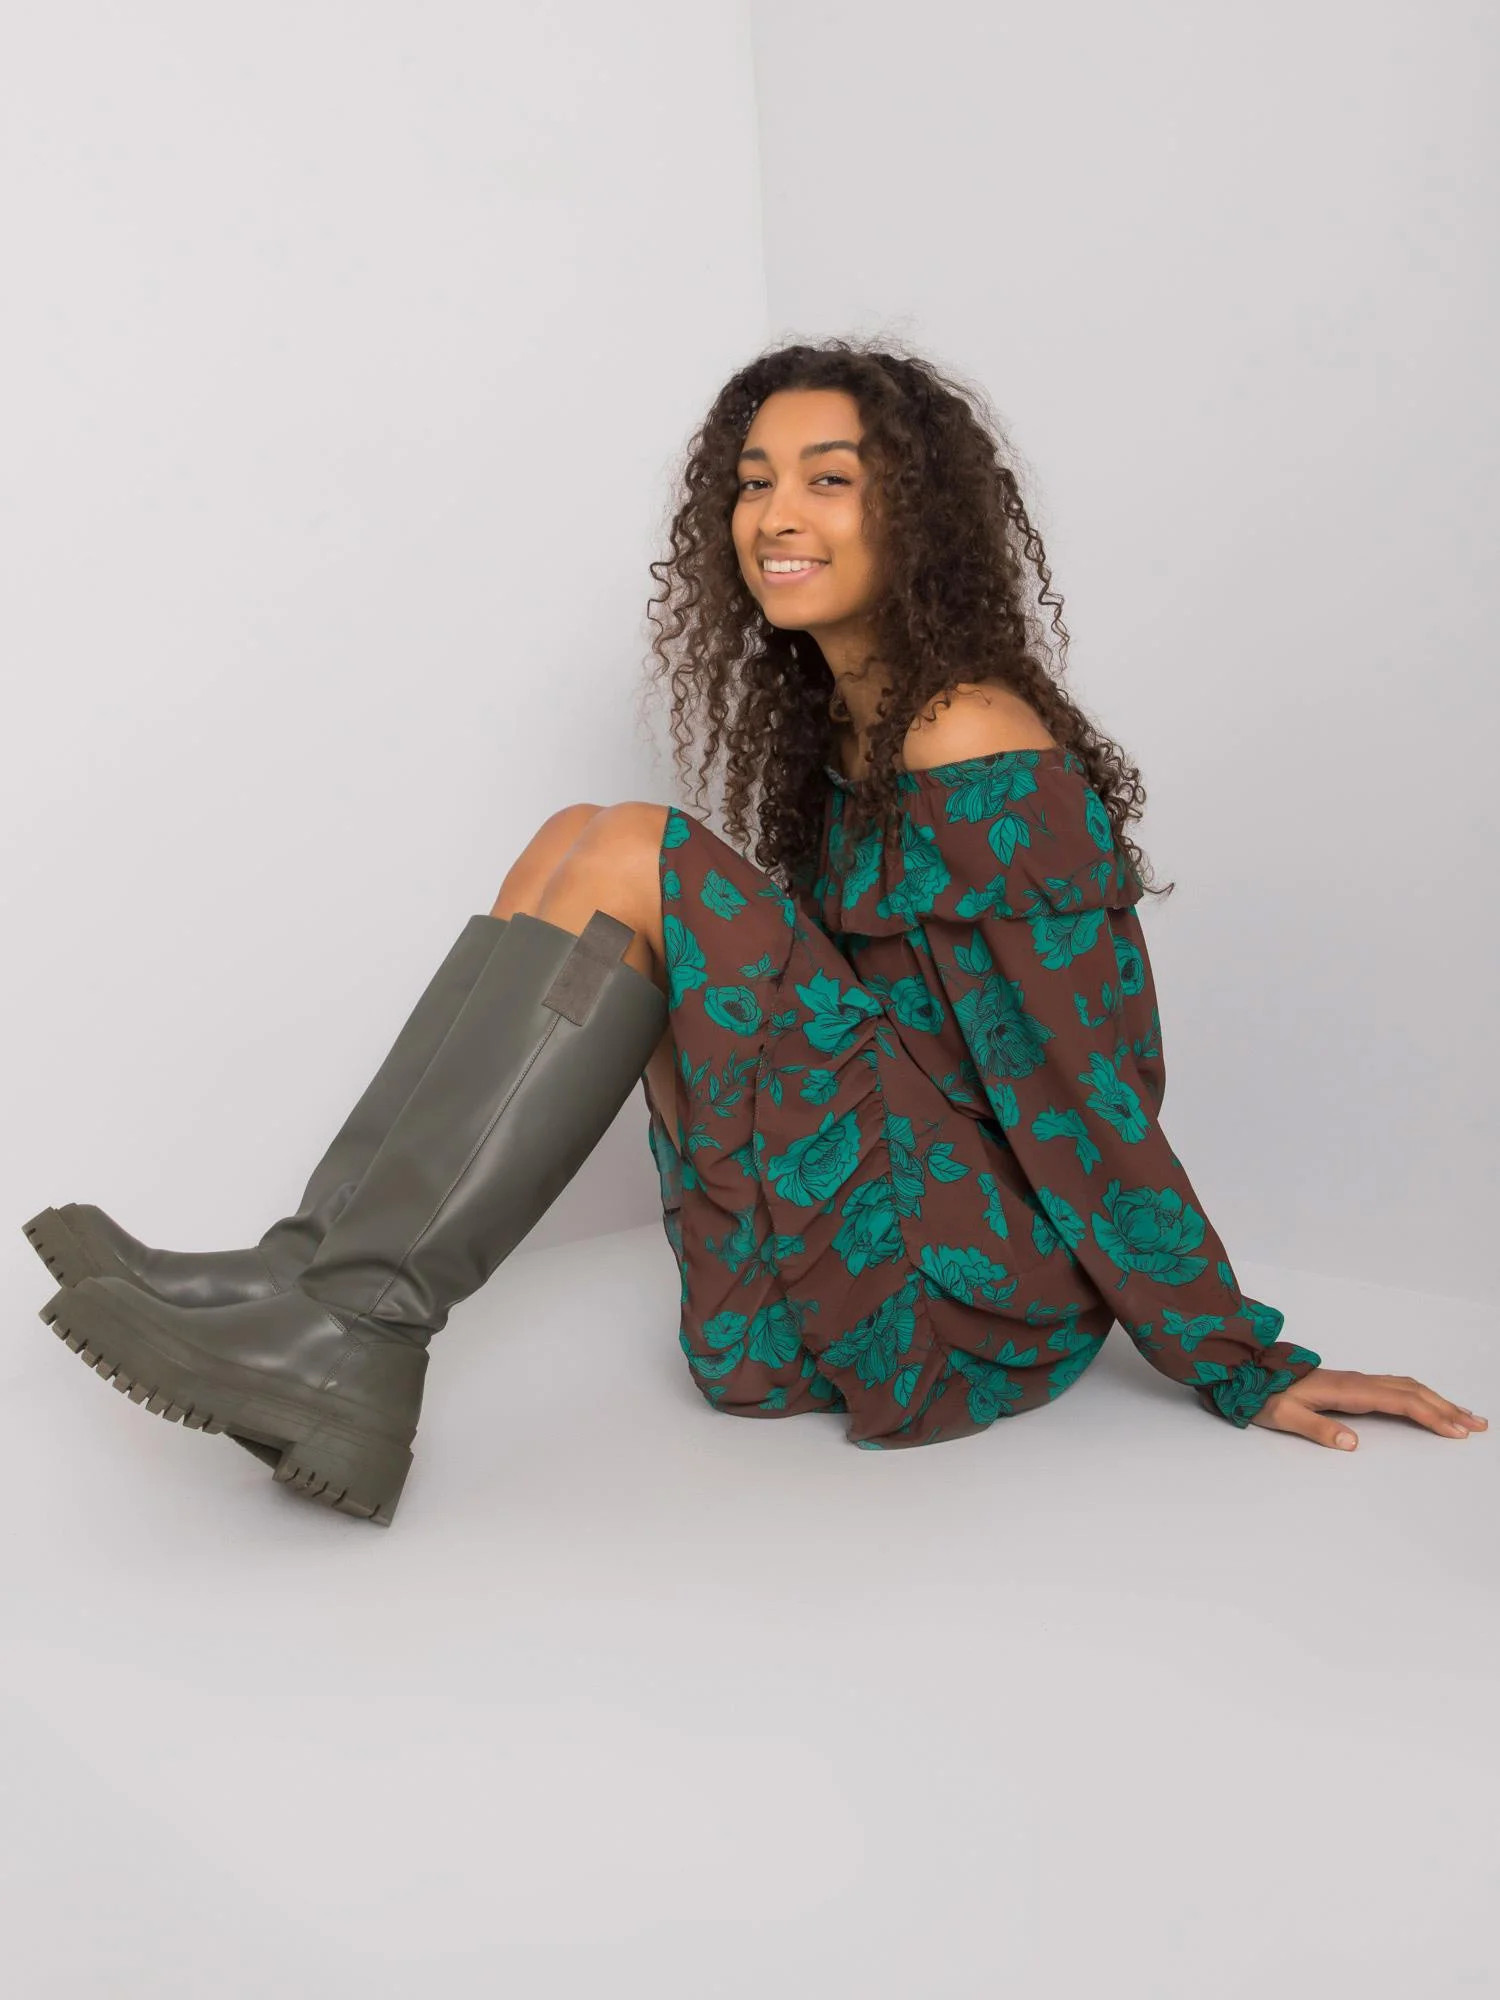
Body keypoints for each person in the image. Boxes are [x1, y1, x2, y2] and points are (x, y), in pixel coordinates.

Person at [25, 336, 1484, 1525]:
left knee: (633, 850)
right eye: (754, 482)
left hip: (970, 1300)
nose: (776, 516)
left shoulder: (971, 736)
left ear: (918, 517)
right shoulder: (850, 729)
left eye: (830, 480)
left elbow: (1083, 1090)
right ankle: (308, 1274)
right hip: (846, 1255)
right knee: (580, 837)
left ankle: (360, 1323)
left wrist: (1236, 1358)